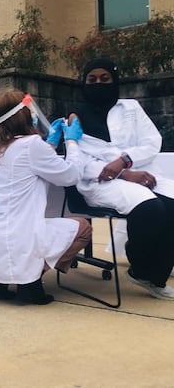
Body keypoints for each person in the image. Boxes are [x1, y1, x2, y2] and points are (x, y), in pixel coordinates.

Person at [0, 89, 92, 304]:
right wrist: (72, 143)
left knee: (26, 232)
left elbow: (31, 163)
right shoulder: (32, 145)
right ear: (22, 115)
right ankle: (29, 282)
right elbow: (70, 175)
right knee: (83, 227)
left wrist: (49, 143)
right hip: (19, 236)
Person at [74, 57, 174, 300]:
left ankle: (155, 276)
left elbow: (151, 142)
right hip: (101, 181)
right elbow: (80, 160)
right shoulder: (77, 117)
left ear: (115, 80)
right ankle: (139, 266)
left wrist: (125, 160)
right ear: (84, 83)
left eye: (105, 78)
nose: (99, 84)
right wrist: (124, 172)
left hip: (141, 172)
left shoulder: (131, 108)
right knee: (152, 209)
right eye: (92, 79)